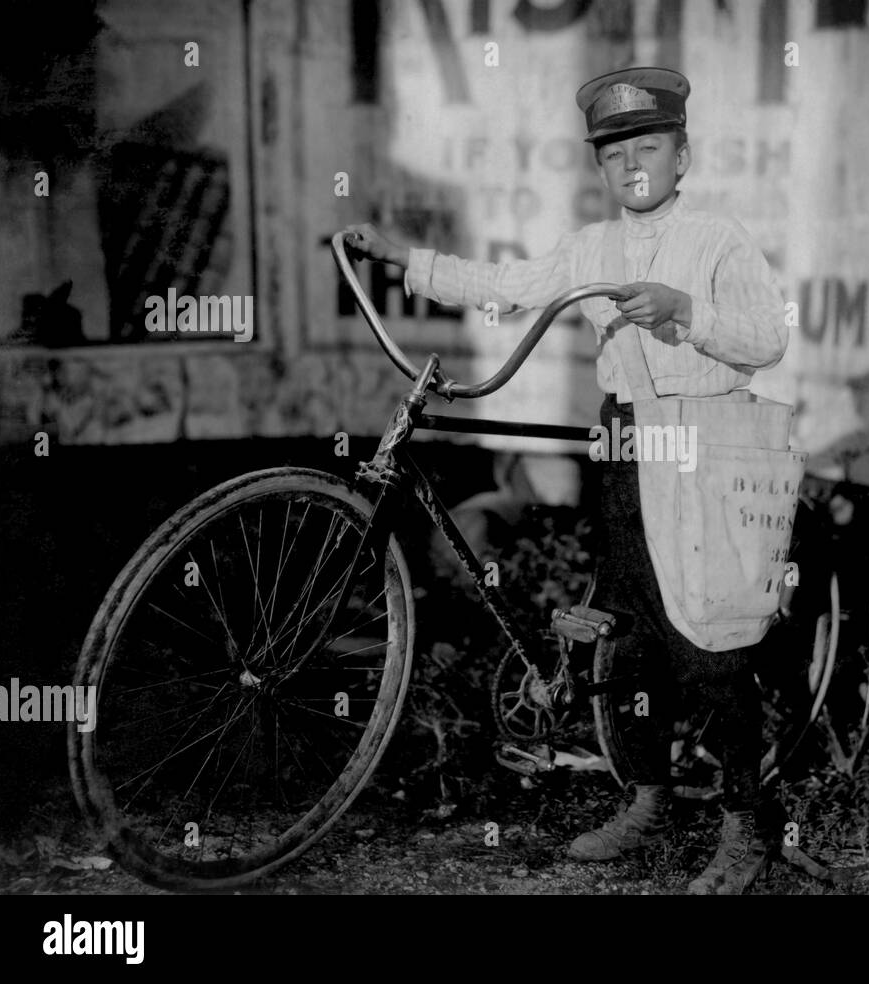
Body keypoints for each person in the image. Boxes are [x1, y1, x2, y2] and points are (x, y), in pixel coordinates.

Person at [343, 67, 789, 895]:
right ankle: (649, 800)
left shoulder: (719, 239)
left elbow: (767, 340)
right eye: (616, 153)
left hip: (708, 447)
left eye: (649, 146)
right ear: (601, 168)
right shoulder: (592, 249)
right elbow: (509, 289)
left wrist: (686, 311)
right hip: (624, 449)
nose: (633, 166)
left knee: (710, 646)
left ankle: (747, 829)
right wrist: (406, 257)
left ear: (682, 155)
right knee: (623, 640)